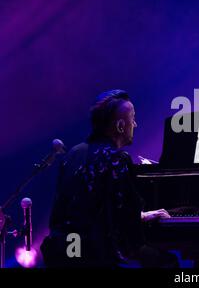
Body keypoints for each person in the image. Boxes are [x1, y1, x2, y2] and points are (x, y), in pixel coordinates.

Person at [41, 89, 176, 267]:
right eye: (132, 118)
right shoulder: (117, 159)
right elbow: (129, 230)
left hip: (64, 254)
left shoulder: (73, 154)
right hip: (97, 257)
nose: (135, 124)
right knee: (168, 262)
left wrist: (140, 216)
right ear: (120, 126)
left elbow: (82, 211)